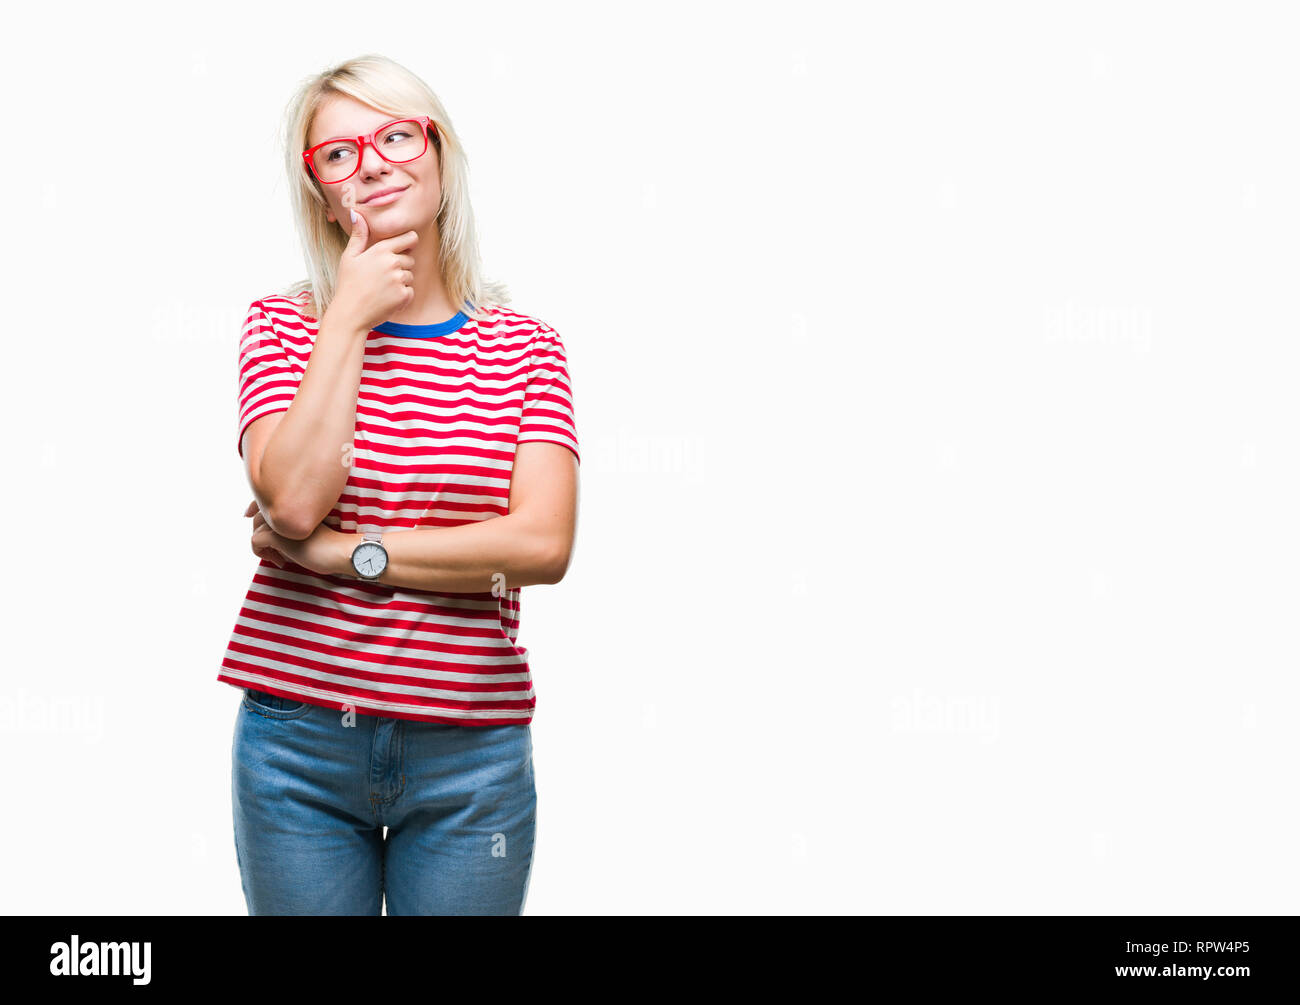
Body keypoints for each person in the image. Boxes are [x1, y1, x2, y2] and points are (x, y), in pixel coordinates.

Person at [220, 54, 580, 916]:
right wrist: (346, 314)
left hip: (472, 754)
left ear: (440, 158)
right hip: (298, 746)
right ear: (321, 193)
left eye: (393, 135)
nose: (372, 162)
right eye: (337, 154)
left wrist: (347, 554)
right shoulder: (279, 326)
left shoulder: (525, 347)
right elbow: (295, 500)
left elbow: (540, 545)